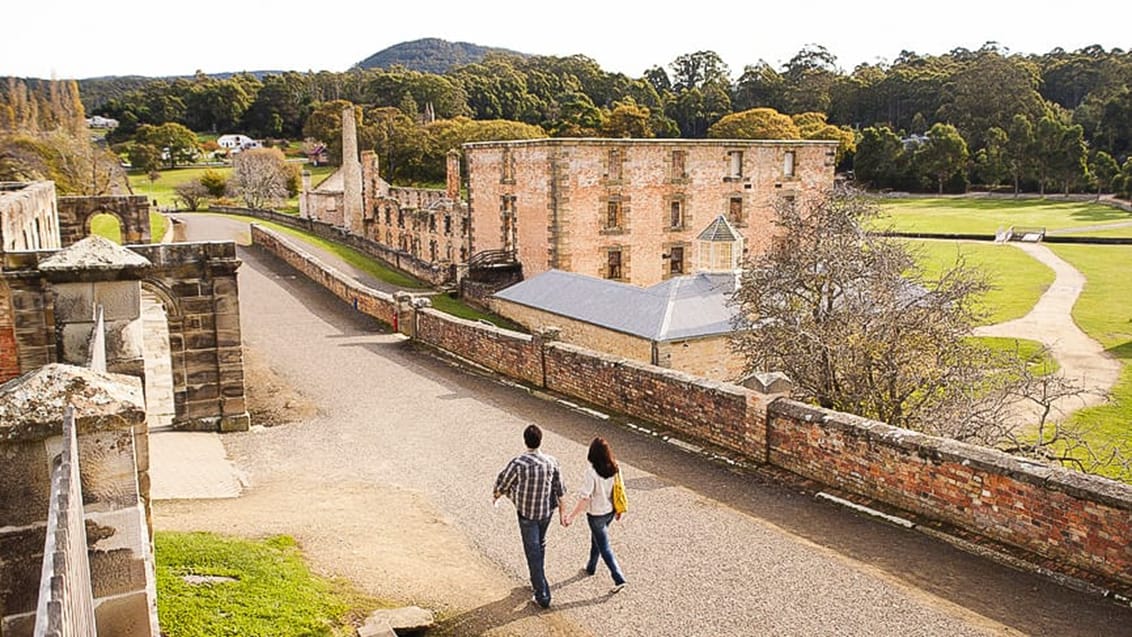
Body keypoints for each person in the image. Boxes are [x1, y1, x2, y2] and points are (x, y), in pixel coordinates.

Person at [493, 424, 567, 609]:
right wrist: (563, 511)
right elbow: (559, 488)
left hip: (527, 513)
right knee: (540, 544)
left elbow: (503, 482)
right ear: (540, 440)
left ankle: (543, 595)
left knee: (532, 551)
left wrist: (497, 494)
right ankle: (537, 579)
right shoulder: (551, 461)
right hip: (545, 512)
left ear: (525, 441)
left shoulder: (519, 463)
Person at [563, 437, 628, 593]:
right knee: (597, 539)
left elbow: (585, 498)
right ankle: (591, 566)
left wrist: (571, 516)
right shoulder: (615, 467)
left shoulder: (591, 473)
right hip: (610, 511)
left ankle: (619, 578)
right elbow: (618, 490)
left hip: (597, 514)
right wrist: (619, 510)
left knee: (604, 545)